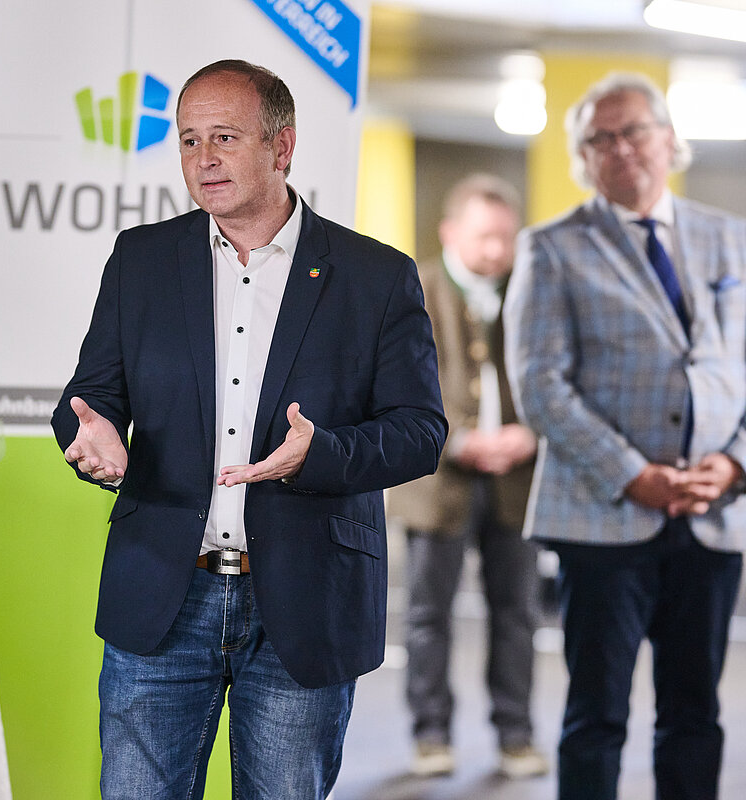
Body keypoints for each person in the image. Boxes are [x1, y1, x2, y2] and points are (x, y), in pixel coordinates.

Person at [51, 59, 446, 798]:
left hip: (304, 598)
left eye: (225, 137)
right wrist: (91, 436)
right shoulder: (141, 259)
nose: (204, 159)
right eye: (189, 140)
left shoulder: (374, 276)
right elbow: (91, 394)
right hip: (163, 593)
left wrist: (320, 454)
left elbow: (420, 431)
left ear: (281, 145)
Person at [503, 72, 746, 800]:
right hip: (602, 516)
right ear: (583, 158)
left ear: (669, 139)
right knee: (597, 716)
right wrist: (632, 473)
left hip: (711, 514)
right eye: (599, 139)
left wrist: (734, 464)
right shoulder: (551, 247)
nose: (620, 148)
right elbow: (541, 386)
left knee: (695, 714)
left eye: (634, 130)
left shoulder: (730, 237)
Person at [387, 173, 547, 779]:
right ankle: (431, 736)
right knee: (429, 614)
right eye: (485, 236)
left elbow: (555, 374)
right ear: (450, 232)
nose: (497, 249)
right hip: (436, 481)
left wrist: (531, 432)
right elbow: (397, 383)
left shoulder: (535, 291)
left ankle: (516, 736)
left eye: (506, 236)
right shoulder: (412, 289)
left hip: (518, 479)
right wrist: (459, 438)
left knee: (518, 613)